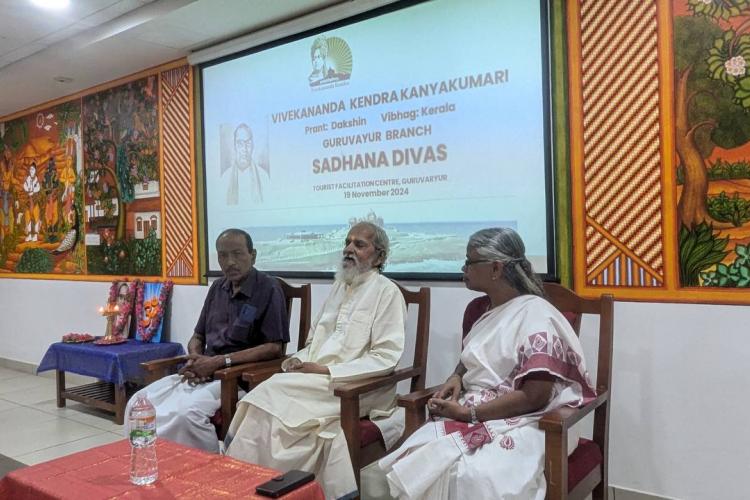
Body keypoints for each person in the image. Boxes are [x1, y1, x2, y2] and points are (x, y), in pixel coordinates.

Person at [378, 227, 596, 500]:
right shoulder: (480, 310)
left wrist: (468, 415)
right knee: (416, 457)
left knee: (476, 475)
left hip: (534, 419)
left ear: (495, 268)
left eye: (470, 262)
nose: (463, 267)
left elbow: (536, 395)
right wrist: (456, 377)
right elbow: (473, 357)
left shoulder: (536, 314)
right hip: (478, 407)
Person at [225, 222, 407, 499]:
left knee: (268, 393)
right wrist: (298, 362)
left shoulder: (387, 292)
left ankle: (268, 486)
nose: (349, 249)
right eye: (347, 242)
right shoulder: (339, 287)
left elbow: (385, 358)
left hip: (359, 387)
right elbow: (313, 343)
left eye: (359, 244)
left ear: (379, 257)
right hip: (315, 380)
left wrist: (324, 370)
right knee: (264, 407)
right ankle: (251, 486)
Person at [125, 229, 289, 452]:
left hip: (236, 378)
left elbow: (274, 348)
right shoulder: (217, 288)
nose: (230, 262)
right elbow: (198, 336)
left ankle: (203, 473)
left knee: (187, 415)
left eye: (238, 254)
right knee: (140, 401)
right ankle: (157, 463)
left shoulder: (268, 289)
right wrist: (196, 357)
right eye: (222, 255)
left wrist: (220, 362)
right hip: (205, 371)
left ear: (253, 255)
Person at [225, 123, 268, 205]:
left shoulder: (264, 177)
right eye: (240, 144)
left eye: (248, 143)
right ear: (235, 146)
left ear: (252, 146)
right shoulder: (224, 178)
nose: (244, 149)